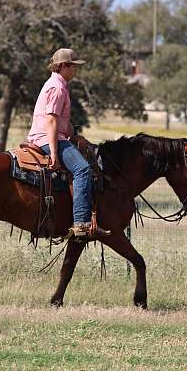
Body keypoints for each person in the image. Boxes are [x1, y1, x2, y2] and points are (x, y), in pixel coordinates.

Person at [27, 48, 110, 239]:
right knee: (82, 170)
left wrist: (75, 135)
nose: (76, 71)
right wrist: (54, 154)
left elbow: (62, 122)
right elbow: (51, 121)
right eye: (74, 66)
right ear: (63, 66)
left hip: (52, 136)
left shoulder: (58, 85)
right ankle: (81, 223)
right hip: (47, 138)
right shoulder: (57, 88)